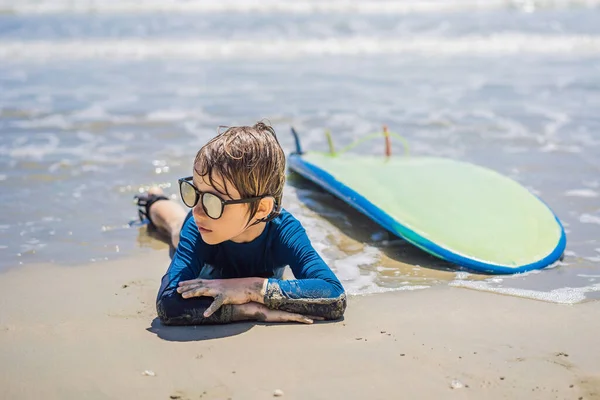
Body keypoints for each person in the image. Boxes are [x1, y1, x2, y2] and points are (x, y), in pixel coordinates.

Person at [135, 122, 346, 325]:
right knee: (176, 229)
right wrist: (252, 310)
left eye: (213, 201)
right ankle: (155, 201)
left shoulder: (285, 232)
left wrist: (249, 288)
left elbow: (333, 294)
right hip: (194, 234)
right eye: (194, 192)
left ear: (262, 208)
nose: (197, 210)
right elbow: (168, 303)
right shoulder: (197, 225)